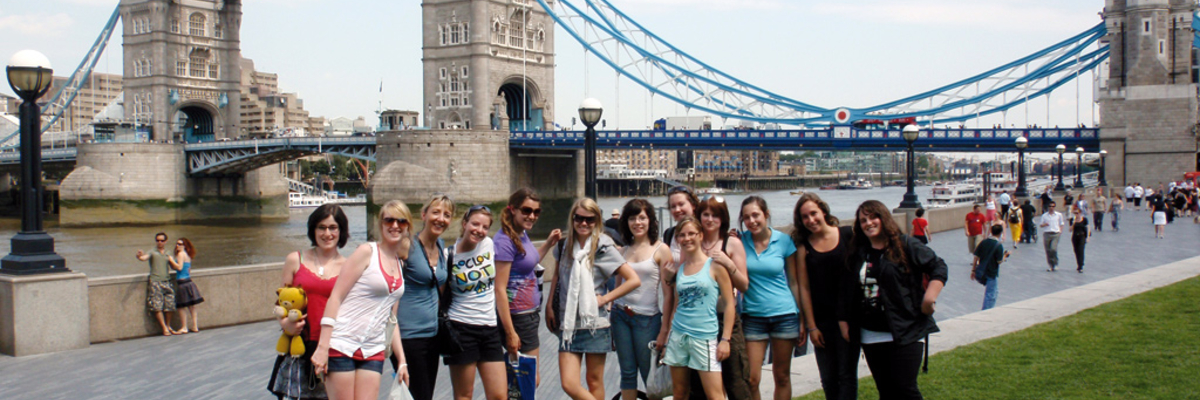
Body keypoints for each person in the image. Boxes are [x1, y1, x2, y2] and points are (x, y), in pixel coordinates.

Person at [838, 200, 947, 400]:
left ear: (884, 218)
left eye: (873, 217)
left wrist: (929, 298)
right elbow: (848, 288)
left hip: (906, 330)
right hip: (871, 333)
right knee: (886, 392)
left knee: (905, 390)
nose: (868, 223)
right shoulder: (859, 252)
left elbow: (938, 266)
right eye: (863, 220)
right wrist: (843, 320)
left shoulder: (905, 244)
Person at [313, 201, 412, 400]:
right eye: (389, 220)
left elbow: (391, 319)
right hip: (343, 344)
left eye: (401, 221)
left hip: (373, 349)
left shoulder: (400, 264)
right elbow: (336, 297)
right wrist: (323, 347)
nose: (395, 225)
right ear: (381, 224)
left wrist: (401, 360)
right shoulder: (367, 252)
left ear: (408, 226)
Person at [547, 197, 641, 400]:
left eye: (589, 220)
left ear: (597, 221)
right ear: (572, 219)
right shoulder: (564, 245)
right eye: (579, 218)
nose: (583, 223)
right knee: (569, 383)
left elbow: (633, 279)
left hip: (595, 324)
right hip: (569, 323)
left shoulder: (603, 246)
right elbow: (556, 276)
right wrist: (549, 306)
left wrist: (605, 298)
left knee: (594, 381)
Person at [269, 204, 350, 400]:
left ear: (341, 230)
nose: (327, 233)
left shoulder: (349, 267)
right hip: (301, 347)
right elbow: (281, 303)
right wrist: (286, 324)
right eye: (321, 227)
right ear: (313, 230)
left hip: (334, 348)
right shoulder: (295, 260)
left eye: (333, 228)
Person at [793, 193, 859, 400]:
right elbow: (804, 287)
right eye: (805, 217)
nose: (811, 220)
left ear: (823, 211)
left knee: (847, 375)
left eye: (814, 213)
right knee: (828, 378)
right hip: (822, 322)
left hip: (848, 318)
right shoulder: (804, 247)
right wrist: (812, 326)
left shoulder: (848, 235)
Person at [738, 196, 804, 400]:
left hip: (784, 315)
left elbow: (793, 282)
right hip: (753, 317)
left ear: (766, 215)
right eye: (747, 217)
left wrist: (802, 319)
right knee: (751, 378)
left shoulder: (784, 241)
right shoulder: (740, 242)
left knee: (782, 376)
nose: (752, 221)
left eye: (756, 215)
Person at [663, 217, 736, 400]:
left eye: (691, 234)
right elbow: (677, 305)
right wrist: (667, 337)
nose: (686, 239)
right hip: (679, 336)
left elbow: (729, 304)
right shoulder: (680, 270)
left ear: (700, 235)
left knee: (715, 395)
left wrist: (725, 339)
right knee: (679, 393)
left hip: (704, 337)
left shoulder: (715, 266)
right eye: (682, 235)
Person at [495, 188, 561, 386]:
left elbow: (528, 263)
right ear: (512, 210)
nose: (531, 216)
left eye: (536, 212)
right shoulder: (505, 241)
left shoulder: (520, 234)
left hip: (528, 315)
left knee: (524, 379)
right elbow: (499, 288)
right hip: (518, 317)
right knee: (527, 380)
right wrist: (510, 332)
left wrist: (548, 243)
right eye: (526, 210)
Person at [612, 199, 673, 400]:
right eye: (632, 218)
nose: (637, 223)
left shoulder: (661, 249)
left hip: (647, 319)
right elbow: (618, 287)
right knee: (627, 373)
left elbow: (668, 294)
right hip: (621, 316)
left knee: (650, 375)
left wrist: (664, 330)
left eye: (642, 218)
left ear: (650, 220)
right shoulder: (623, 250)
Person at [692, 194, 752, 399]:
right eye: (705, 214)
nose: (709, 220)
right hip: (698, 322)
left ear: (723, 219)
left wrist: (728, 263)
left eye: (715, 216)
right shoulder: (693, 243)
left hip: (725, 319)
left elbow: (744, 285)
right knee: (701, 386)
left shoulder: (732, 243)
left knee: (736, 381)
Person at [395, 194, 453, 400]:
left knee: (424, 394)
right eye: (435, 212)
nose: (441, 219)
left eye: (447, 215)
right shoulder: (406, 244)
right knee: (419, 395)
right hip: (409, 335)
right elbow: (390, 285)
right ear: (423, 214)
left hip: (433, 335)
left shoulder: (440, 245)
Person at [445, 205, 507, 400]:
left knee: (499, 395)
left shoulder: (488, 244)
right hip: (461, 328)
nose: (479, 230)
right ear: (464, 224)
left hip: (490, 328)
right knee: (465, 395)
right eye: (475, 224)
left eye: (484, 227)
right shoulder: (449, 256)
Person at [135, 232, 176, 336]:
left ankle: (168, 325)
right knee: (157, 306)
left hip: (167, 281)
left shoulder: (168, 252)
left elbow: (174, 266)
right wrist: (139, 256)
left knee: (170, 305)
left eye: (162, 240)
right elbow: (144, 258)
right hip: (155, 282)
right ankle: (164, 328)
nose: (159, 242)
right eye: (157, 240)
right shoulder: (152, 252)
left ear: (165, 241)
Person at [168, 238, 203, 334]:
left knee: (181, 306)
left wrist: (170, 259)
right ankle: (195, 326)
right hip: (189, 282)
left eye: (180, 244)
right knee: (192, 306)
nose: (177, 245)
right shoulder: (187, 255)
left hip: (182, 283)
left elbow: (179, 267)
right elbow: (187, 269)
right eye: (177, 244)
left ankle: (184, 327)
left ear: (184, 246)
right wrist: (172, 263)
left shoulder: (180, 254)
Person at [972, 224, 1008, 310]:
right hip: (992, 272)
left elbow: (976, 256)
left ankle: (988, 309)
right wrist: (1005, 256)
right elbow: (999, 261)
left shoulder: (983, 242)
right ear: (1000, 233)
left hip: (982, 271)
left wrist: (973, 270)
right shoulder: (998, 245)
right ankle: (986, 311)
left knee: (994, 291)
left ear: (991, 231)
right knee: (991, 294)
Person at [1039, 201, 1066, 272]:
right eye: (1050, 206)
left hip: (1055, 233)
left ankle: (1055, 263)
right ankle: (1050, 265)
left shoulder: (1058, 215)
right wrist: (1044, 224)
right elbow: (1041, 225)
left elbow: (1061, 223)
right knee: (1048, 250)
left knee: (1053, 249)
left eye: (1053, 206)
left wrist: (1060, 231)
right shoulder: (1044, 215)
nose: (1051, 208)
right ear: (1048, 207)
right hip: (1047, 233)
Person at [1069, 205, 1090, 273]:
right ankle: (1078, 264)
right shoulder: (1072, 220)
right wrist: (1073, 223)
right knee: (1076, 251)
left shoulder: (1084, 219)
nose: (1076, 214)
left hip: (1082, 236)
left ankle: (1081, 266)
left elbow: (1088, 228)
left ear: (1080, 213)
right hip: (1075, 236)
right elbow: (1070, 230)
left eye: (1077, 213)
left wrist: (1088, 237)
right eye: (1074, 213)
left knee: (1081, 250)